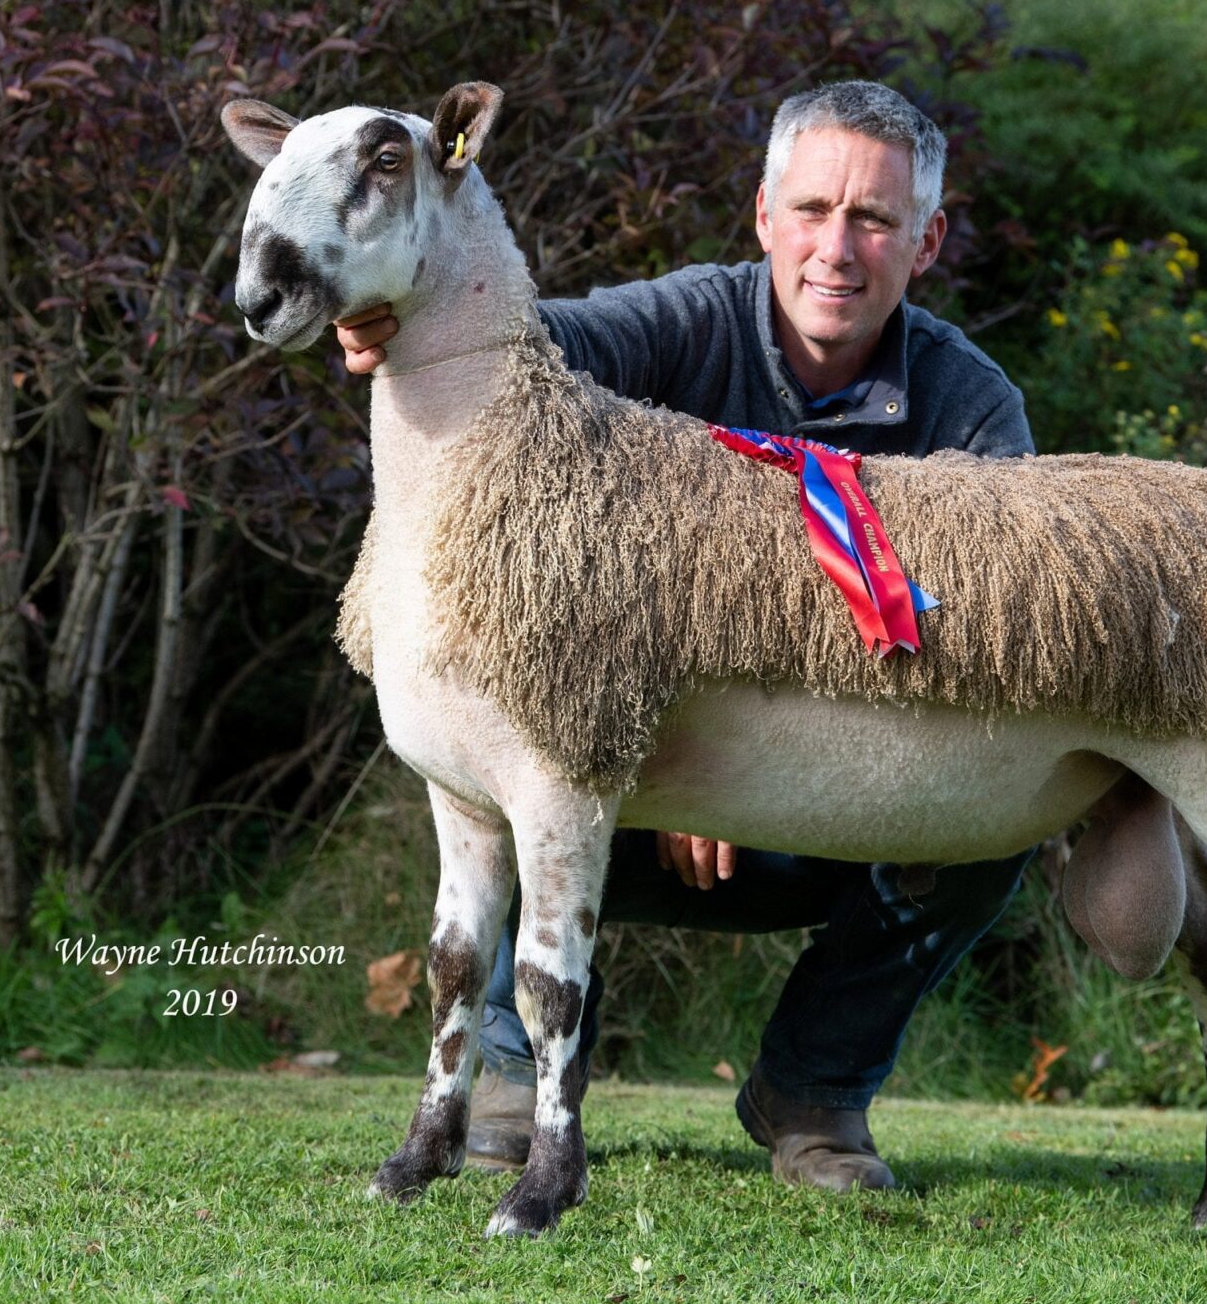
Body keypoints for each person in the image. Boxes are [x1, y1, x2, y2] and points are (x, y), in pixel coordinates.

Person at [334, 81, 1034, 1193]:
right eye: (810, 209)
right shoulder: (679, 322)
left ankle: (813, 1092)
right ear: (762, 215)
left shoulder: (973, 411)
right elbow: (520, 342)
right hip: (633, 778)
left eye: (873, 220)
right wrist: (399, 314)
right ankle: (511, 1077)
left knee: (998, 826)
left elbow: (984, 650)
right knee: (495, 760)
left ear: (927, 239)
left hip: (835, 803)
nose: (835, 249)